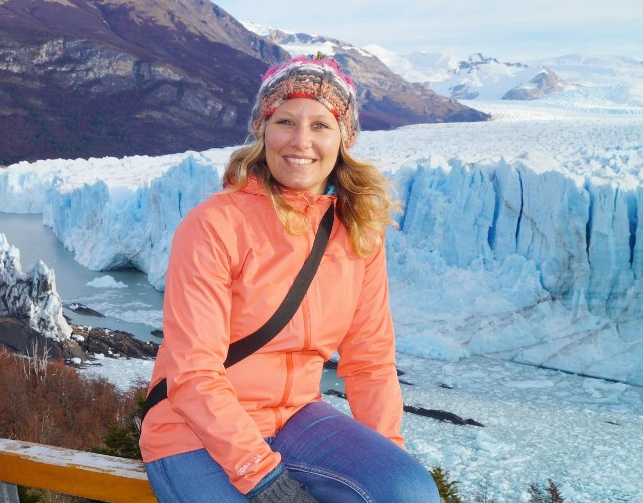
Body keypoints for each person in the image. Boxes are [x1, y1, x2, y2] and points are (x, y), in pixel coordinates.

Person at [139, 56, 440, 502]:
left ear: (343, 139)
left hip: (297, 419)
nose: (301, 141)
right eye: (285, 121)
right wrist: (261, 477)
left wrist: (386, 458)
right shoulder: (215, 225)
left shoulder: (358, 233)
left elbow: (370, 363)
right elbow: (194, 373)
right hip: (193, 430)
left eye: (320, 125)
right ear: (263, 131)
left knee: (409, 491)